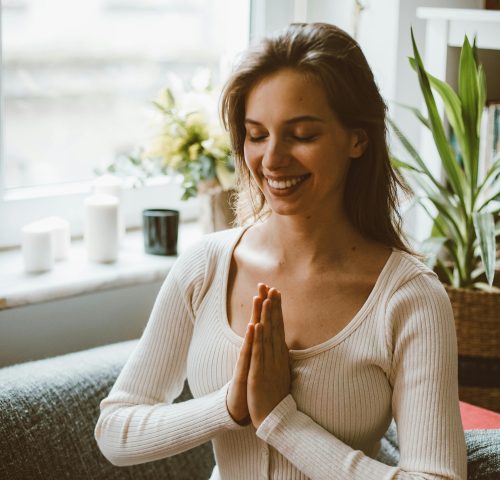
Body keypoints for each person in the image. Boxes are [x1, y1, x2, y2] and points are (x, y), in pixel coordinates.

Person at [94, 22, 467, 479]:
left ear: (357, 139)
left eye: (302, 134)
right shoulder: (206, 266)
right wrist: (230, 405)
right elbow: (115, 430)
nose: (271, 160)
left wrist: (280, 420)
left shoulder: (410, 299)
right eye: (257, 134)